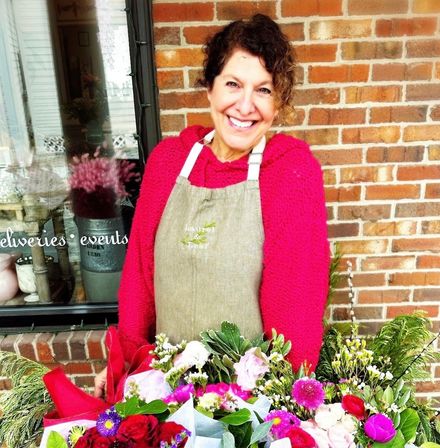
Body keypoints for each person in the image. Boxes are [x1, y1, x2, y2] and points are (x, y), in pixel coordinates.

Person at [94, 14, 329, 398]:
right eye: (233, 84)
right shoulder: (169, 162)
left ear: (279, 102)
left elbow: (297, 300)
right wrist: (125, 366)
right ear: (210, 87)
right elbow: (139, 274)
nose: (245, 105)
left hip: (248, 404)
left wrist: (288, 406)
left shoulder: (289, 172)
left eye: (264, 90)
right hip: (164, 390)